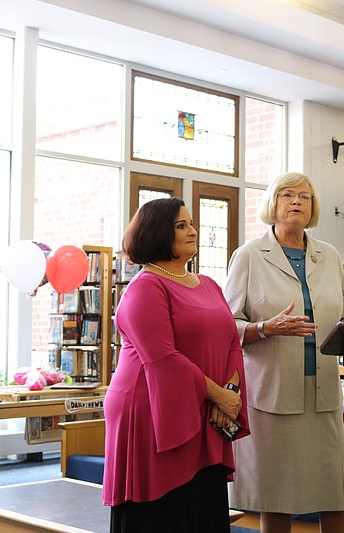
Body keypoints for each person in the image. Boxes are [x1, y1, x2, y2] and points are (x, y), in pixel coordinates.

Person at [223, 172, 344, 533]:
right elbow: (224, 327)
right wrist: (266, 328)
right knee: (276, 493)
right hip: (273, 393)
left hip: (323, 393)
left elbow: (343, 316)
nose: (297, 201)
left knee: (335, 491)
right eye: (287, 195)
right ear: (273, 203)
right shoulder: (249, 256)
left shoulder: (329, 257)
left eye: (304, 196)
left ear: (312, 208)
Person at [102, 197, 248, 533]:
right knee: (164, 514)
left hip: (206, 406)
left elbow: (230, 343)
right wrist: (219, 397)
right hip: (151, 409)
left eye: (192, 223)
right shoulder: (145, 286)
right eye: (181, 226)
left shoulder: (209, 284)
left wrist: (231, 391)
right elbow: (163, 358)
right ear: (157, 233)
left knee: (200, 508)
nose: (192, 231)